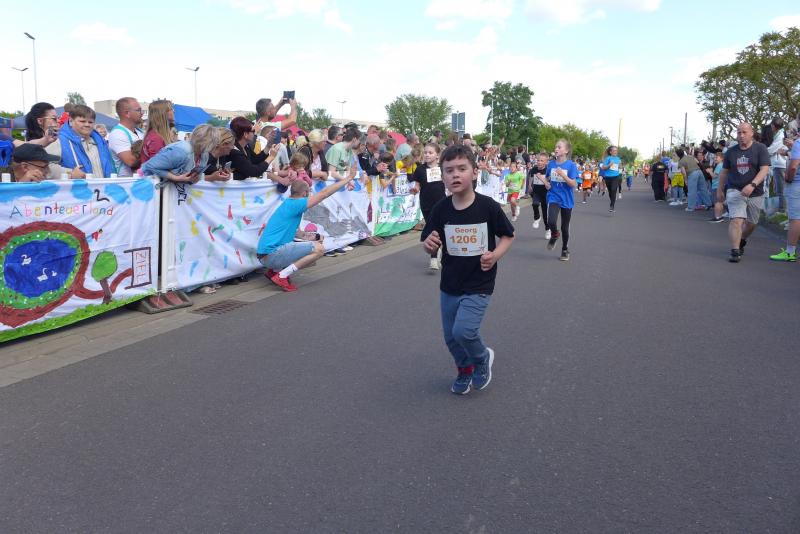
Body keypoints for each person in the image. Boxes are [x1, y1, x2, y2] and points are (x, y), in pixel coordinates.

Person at [421, 144, 515, 395]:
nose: (455, 174)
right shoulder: (441, 209)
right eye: (449, 170)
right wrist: (428, 244)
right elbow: (428, 241)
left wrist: (495, 256)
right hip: (450, 283)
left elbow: (508, 236)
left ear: (474, 172)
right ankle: (464, 369)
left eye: (461, 169)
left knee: (464, 331)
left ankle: (482, 358)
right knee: (451, 337)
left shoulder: (488, 207)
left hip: (479, 282)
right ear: (442, 176)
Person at [257, 168, 357, 292]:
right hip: (271, 255)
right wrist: (348, 178)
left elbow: (300, 234)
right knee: (319, 249)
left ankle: (274, 271)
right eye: (309, 192)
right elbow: (324, 194)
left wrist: (316, 237)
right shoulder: (296, 204)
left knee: (314, 246)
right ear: (304, 193)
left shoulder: (288, 204)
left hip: (265, 256)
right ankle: (281, 276)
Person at [717, 122, 770, 263]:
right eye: (739, 132)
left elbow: (764, 169)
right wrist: (720, 189)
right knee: (736, 220)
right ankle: (735, 251)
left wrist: (752, 184)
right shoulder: (731, 152)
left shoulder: (760, 148)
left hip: (755, 191)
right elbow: (724, 172)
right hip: (735, 190)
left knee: (752, 223)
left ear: (752, 133)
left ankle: (741, 239)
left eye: (744, 132)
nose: (741, 135)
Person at [140, 124, 234, 186]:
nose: (216, 145)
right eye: (215, 142)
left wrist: (207, 177)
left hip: (166, 192)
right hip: (146, 186)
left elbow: (192, 177)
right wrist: (176, 178)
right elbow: (150, 166)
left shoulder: (204, 155)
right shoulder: (181, 151)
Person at [46, 105, 115, 179]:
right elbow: (45, 165)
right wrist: (70, 173)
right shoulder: (60, 141)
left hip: (103, 185)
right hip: (77, 186)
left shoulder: (101, 142)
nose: (87, 124)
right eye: (82, 121)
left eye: (90, 122)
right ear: (71, 121)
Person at [409, 142, 445, 270]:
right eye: (425, 152)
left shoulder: (442, 168)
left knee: (437, 229)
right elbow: (417, 185)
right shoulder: (420, 169)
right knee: (432, 230)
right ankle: (436, 252)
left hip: (441, 203)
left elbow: (448, 183)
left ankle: (434, 257)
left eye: (430, 152)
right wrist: (414, 190)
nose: (427, 155)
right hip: (426, 204)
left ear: (437, 155)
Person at [541, 139, 579, 261]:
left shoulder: (571, 165)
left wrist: (563, 175)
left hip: (567, 199)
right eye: (556, 147)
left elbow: (573, 184)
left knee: (565, 227)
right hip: (554, 196)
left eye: (559, 147)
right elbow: (547, 178)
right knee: (551, 221)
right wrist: (546, 183)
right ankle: (554, 234)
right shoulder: (551, 164)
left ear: (566, 151)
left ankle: (565, 249)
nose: (556, 149)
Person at [769, 135, 800, 262]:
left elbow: (793, 166)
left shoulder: (798, 143)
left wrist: (788, 178)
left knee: (795, 219)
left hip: (797, 184)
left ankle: (790, 252)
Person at [107, 97, 144, 176]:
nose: (142, 113)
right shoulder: (117, 133)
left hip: (142, 180)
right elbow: (131, 161)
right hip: (127, 182)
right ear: (127, 113)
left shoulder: (140, 132)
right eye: (138, 110)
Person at [140, 100, 176, 165]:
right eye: (171, 109)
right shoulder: (156, 138)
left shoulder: (157, 136)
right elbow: (158, 167)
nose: (174, 111)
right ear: (163, 113)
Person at [764, 117, 788, 211]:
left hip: (780, 164)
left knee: (780, 189)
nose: (772, 128)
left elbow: (771, 150)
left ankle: (782, 209)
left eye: (772, 126)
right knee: (779, 188)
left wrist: (762, 151)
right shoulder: (779, 133)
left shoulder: (780, 135)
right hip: (778, 163)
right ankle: (781, 208)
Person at [678, 147, 710, 212]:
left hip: (692, 174)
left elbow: (683, 172)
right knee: (703, 189)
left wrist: (685, 180)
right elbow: (698, 162)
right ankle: (708, 204)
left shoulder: (681, 161)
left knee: (691, 191)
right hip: (699, 172)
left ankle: (690, 207)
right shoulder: (690, 156)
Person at [528, 152, 550, 238]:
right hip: (536, 191)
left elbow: (548, 185)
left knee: (545, 213)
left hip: (545, 193)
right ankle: (537, 218)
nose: (539, 162)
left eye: (541, 161)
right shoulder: (534, 168)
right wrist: (530, 186)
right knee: (535, 204)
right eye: (538, 160)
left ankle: (548, 230)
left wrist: (541, 178)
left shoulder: (548, 170)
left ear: (546, 162)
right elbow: (531, 177)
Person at [600, 145, 622, 212]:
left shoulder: (618, 159)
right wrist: (609, 165)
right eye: (614, 150)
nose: (615, 152)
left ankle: (612, 206)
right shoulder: (608, 158)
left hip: (616, 177)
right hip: (608, 177)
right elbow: (603, 168)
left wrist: (620, 165)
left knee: (613, 190)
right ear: (610, 152)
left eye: (616, 150)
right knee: (610, 191)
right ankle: (612, 201)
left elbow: (620, 168)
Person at [708, 151, 726, 223]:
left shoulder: (719, 165)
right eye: (714, 157)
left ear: (722, 158)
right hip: (720, 185)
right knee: (720, 202)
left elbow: (714, 176)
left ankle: (717, 217)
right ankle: (720, 216)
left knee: (717, 202)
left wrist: (710, 171)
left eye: (716, 157)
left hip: (716, 185)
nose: (715, 159)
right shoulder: (722, 165)